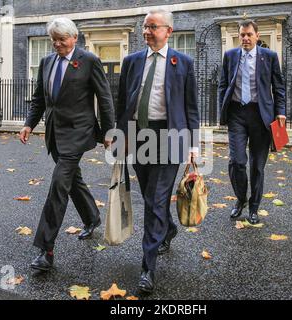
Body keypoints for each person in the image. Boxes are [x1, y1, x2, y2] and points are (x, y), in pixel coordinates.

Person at [19, 17, 115, 271]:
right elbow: (40, 98)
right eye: (54, 40)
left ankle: (45, 249)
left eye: (62, 39)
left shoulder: (89, 61)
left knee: (58, 186)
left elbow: (104, 99)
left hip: (78, 133)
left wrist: (108, 132)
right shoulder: (47, 62)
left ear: (74, 38)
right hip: (54, 133)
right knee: (72, 181)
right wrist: (29, 123)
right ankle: (92, 217)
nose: (57, 44)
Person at [116, 9, 199, 293]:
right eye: (144, 27)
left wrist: (193, 145)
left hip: (170, 137)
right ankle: (169, 229)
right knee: (150, 196)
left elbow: (191, 108)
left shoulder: (183, 63)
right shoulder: (131, 61)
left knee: (156, 199)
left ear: (168, 31)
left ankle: (147, 267)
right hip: (140, 136)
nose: (147, 32)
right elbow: (122, 103)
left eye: (153, 27)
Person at [218, 19, 286, 225]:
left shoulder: (270, 57)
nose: (245, 38)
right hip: (237, 114)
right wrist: (223, 110)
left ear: (257, 36)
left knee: (257, 166)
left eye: (249, 34)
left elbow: (279, 87)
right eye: (242, 35)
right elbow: (223, 85)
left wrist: (280, 112)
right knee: (237, 161)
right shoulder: (230, 56)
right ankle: (240, 199)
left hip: (261, 115)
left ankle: (254, 207)